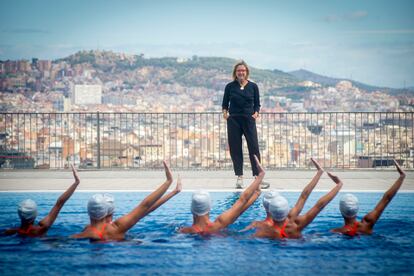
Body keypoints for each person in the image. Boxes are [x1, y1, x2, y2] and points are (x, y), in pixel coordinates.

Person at [71, 161, 178, 241]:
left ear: (89, 211)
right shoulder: (116, 228)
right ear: (107, 213)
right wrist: (168, 182)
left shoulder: (84, 231)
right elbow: (144, 207)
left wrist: (173, 192)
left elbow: (145, 210)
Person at [253, 159, 343, 239]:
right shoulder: (296, 225)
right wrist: (338, 185)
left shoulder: (263, 231)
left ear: (270, 210)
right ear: (287, 210)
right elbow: (314, 203)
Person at [180, 155, 264, 235]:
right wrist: (259, 179)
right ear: (209, 207)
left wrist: (256, 193)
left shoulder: (184, 231)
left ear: (192, 209)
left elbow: (240, 207)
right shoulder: (219, 224)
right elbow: (242, 201)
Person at [222, 60, 269, 189]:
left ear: (246, 72)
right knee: (235, 148)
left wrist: (256, 113)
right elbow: (225, 103)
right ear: (235, 73)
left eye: (243, 70)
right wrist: (225, 113)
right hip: (234, 120)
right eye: (238, 71)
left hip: (249, 120)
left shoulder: (253, 86)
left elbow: (257, 104)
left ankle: (257, 178)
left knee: (254, 148)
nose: (241, 72)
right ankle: (239, 177)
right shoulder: (229, 87)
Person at [331, 159, 405, 236]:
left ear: (341, 211)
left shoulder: (336, 232)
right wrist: (401, 177)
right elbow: (386, 198)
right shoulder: (368, 223)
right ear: (357, 209)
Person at [4, 164, 80, 237]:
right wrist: (76, 182)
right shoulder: (40, 230)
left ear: (19, 214)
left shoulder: (10, 231)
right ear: (35, 214)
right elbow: (59, 203)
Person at [103, 174, 183, 224]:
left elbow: (146, 208)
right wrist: (170, 185)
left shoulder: (90, 231)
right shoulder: (118, 227)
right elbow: (146, 207)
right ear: (111, 213)